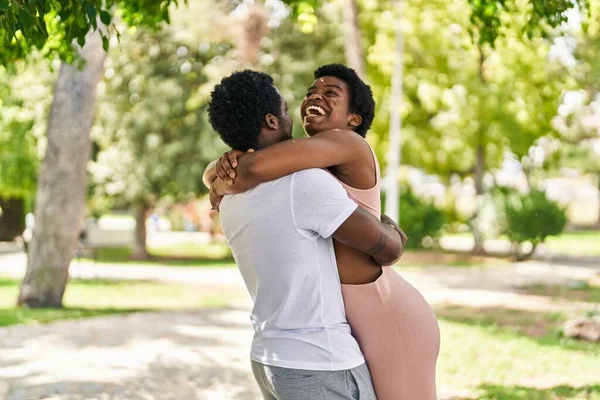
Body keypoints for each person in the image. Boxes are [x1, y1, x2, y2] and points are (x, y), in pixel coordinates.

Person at [206, 64, 440, 400]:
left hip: (387, 318)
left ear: (353, 119)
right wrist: (215, 172)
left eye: (330, 93)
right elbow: (263, 168)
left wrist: (217, 176)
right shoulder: (305, 166)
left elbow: (255, 166)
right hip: (347, 327)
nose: (314, 96)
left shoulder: (347, 144)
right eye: (310, 92)